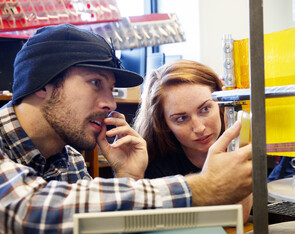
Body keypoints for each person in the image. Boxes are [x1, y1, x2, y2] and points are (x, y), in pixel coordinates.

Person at [0, 24, 253, 233]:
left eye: (111, 89)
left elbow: (93, 229)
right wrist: (202, 187)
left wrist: (127, 175)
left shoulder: (69, 160)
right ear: (43, 84)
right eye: (95, 82)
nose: (110, 103)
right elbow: (27, 210)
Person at [132, 59, 253, 222]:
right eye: (181, 118)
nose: (199, 128)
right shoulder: (155, 170)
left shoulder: (248, 140)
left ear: (222, 102)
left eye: (205, 109)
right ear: (164, 124)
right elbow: (234, 218)